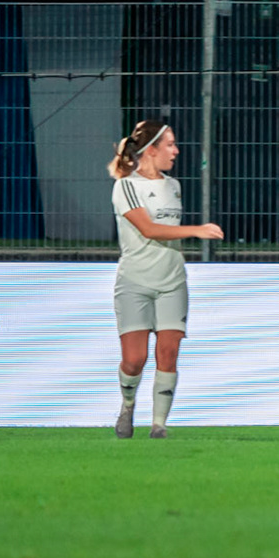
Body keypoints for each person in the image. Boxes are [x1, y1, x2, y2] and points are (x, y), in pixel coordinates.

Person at [108, 119, 223, 439]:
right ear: (150, 150)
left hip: (172, 281)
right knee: (134, 360)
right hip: (134, 282)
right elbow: (149, 229)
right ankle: (128, 405)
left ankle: (159, 425)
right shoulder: (126, 186)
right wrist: (196, 231)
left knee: (168, 353)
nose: (176, 150)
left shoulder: (174, 185)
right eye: (169, 144)